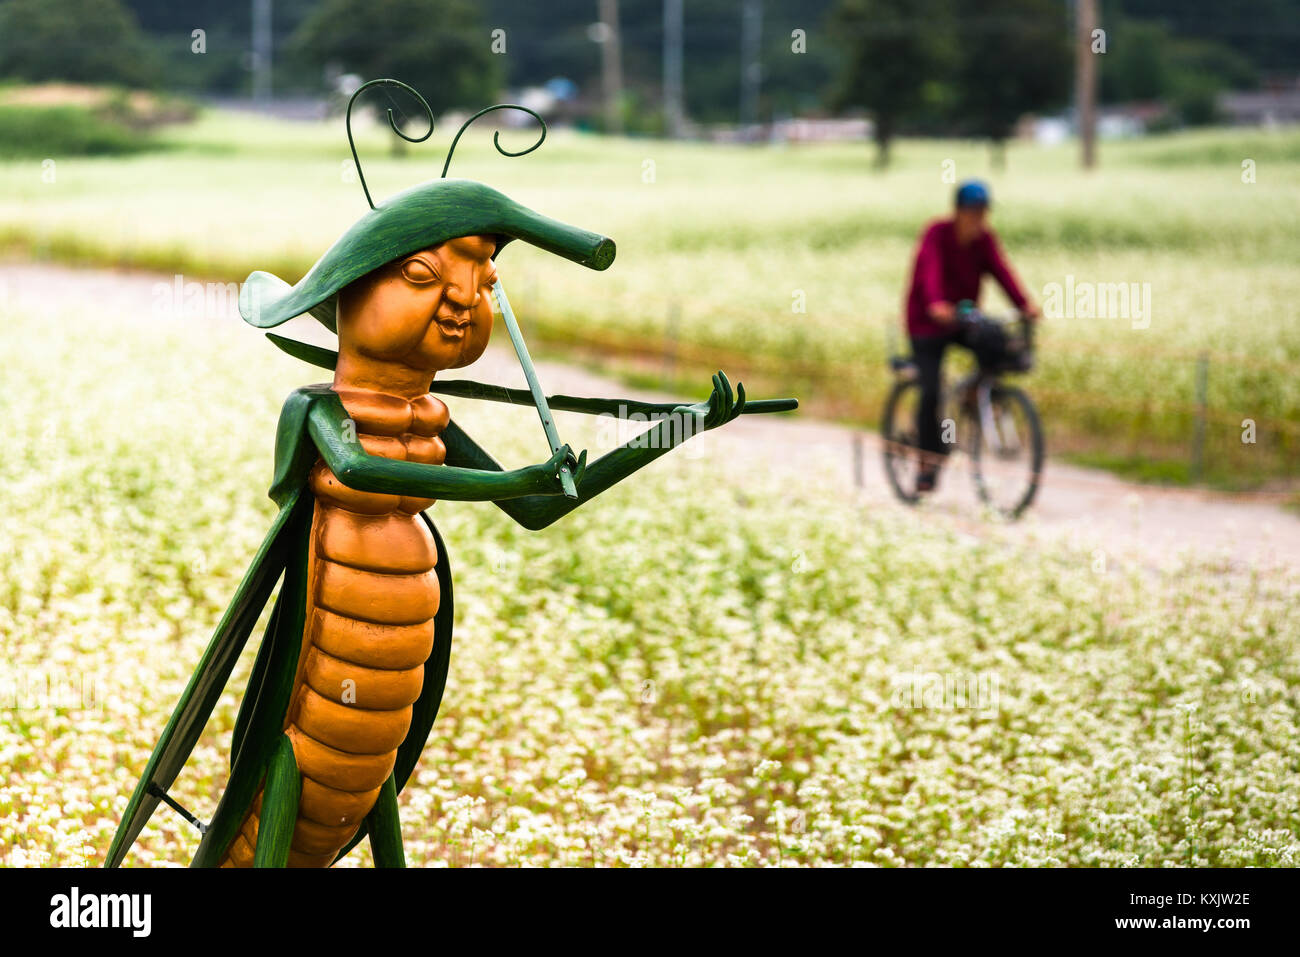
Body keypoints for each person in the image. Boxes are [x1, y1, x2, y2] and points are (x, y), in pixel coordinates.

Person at [903, 179, 1039, 493]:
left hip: (962, 320)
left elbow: (1001, 271)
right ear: (959, 211)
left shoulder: (984, 240)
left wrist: (1024, 305)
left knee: (995, 344)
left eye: (983, 212)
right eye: (973, 212)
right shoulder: (937, 233)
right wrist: (937, 304)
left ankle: (974, 395)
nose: (979, 219)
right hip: (926, 323)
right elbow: (930, 272)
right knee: (931, 390)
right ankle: (926, 461)